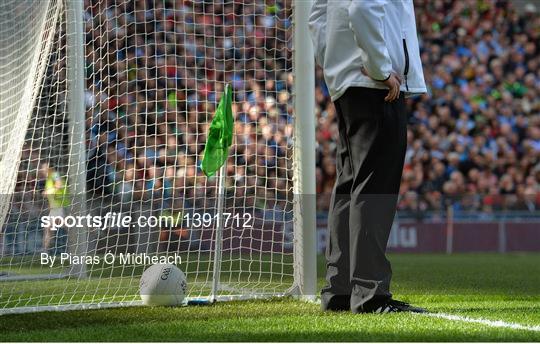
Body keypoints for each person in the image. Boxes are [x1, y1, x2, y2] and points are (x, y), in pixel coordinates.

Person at [309, 0, 427, 313]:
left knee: (349, 186)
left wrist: (336, 67)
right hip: (376, 83)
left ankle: (340, 292)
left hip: (347, 83)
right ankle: (370, 294)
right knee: (375, 188)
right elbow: (362, 8)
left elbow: (317, 17)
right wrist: (380, 67)